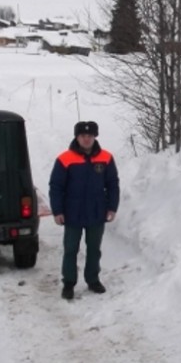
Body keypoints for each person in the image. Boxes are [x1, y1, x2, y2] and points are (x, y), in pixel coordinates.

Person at [49, 121, 120, 300]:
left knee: (94, 249)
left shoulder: (106, 157)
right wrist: (58, 211)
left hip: (97, 212)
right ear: (77, 137)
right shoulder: (65, 159)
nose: (86, 139)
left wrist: (112, 207)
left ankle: (93, 280)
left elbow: (112, 184)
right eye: (83, 136)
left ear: (95, 137)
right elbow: (56, 186)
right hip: (72, 213)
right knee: (71, 249)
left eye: (90, 136)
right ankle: (69, 283)